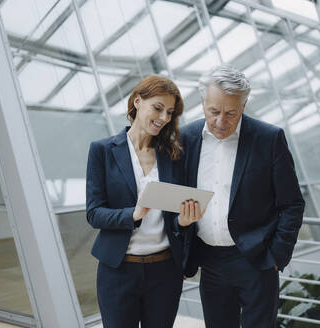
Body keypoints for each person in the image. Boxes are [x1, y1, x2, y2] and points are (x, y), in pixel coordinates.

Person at [181, 65, 305, 328]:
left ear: (244, 104)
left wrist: (276, 257)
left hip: (257, 261)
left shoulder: (269, 139)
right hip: (209, 263)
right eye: (213, 111)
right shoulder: (187, 138)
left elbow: (292, 203)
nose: (220, 121)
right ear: (203, 101)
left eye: (231, 113)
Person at [86, 75, 201, 328]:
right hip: (118, 271)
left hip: (164, 272)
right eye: (158, 108)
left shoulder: (173, 155)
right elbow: (94, 213)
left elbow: (175, 220)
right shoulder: (102, 151)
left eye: (169, 112)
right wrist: (133, 214)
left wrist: (182, 221)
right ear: (137, 101)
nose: (163, 118)